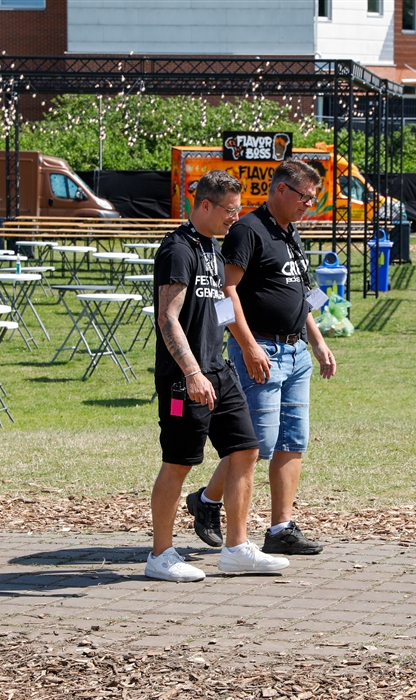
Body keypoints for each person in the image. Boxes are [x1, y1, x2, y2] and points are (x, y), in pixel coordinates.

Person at [186, 159, 336, 556]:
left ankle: (281, 529)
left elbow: (303, 295)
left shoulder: (291, 234)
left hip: (296, 351)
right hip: (262, 351)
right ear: (282, 190)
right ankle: (207, 501)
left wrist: (317, 342)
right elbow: (225, 291)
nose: (310, 205)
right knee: (257, 443)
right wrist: (248, 346)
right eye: (306, 197)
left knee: (293, 440)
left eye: (313, 199)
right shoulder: (247, 231)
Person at [147, 170, 289, 582]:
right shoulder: (178, 250)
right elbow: (167, 318)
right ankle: (160, 555)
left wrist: (246, 345)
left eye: (239, 209)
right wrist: (191, 372)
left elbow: (222, 306)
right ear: (204, 205)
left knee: (246, 449)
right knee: (178, 463)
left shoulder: (212, 247)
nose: (235, 217)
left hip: (219, 370)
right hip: (184, 377)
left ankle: (237, 549)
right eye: (229, 210)